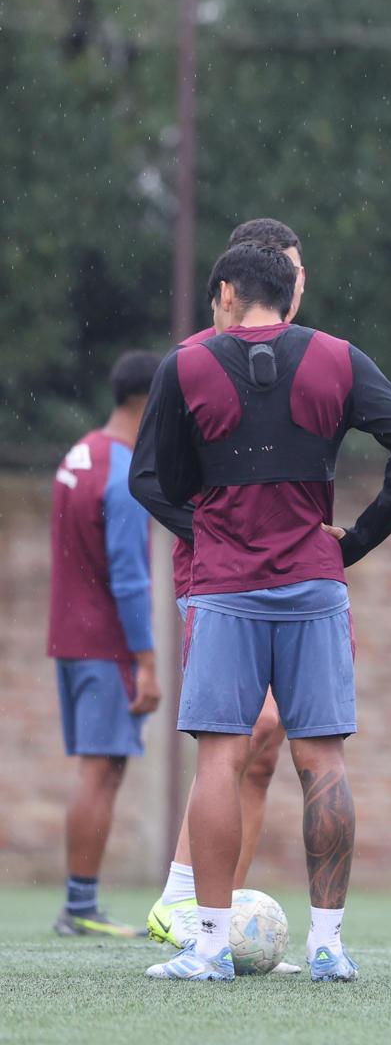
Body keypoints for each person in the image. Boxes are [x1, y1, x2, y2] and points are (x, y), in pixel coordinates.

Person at [135, 244, 391, 982]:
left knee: (218, 757)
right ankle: (328, 945)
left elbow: (149, 479)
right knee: (323, 760)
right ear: (288, 293)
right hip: (314, 585)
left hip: (224, 588)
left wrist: (205, 528)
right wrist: (354, 542)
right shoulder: (338, 357)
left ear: (229, 293)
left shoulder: (187, 364)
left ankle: (208, 947)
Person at [133, 217, 309, 955]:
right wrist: (211, 531)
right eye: (292, 275)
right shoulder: (196, 361)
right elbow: (154, 476)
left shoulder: (305, 358)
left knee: (266, 747)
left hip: (291, 572)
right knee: (247, 727)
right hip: (222, 576)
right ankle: (180, 899)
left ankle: (220, 913)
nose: (300, 290)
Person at [47, 350, 164, 938]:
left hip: (69, 636)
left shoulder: (78, 454)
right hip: (104, 644)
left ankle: (79, 903)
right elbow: (129, 573)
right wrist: (146, 660)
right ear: (146, 401)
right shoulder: (122, 471)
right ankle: (80, 907)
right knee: (101, 769)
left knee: (99, 767)